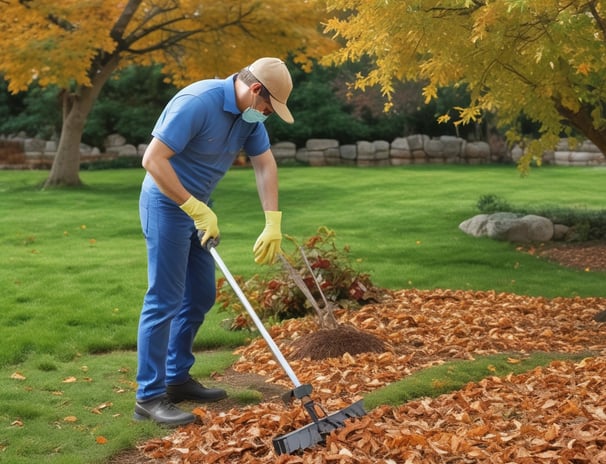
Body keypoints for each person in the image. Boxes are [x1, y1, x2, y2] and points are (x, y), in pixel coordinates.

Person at [133, 57, 294, 426]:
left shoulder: (247, 118)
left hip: (200, 210)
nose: (267, 115)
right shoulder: (198, 101)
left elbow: (265, 164)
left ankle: (176, 379)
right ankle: (149, 398)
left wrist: (273, 221)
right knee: (164, 299)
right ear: (256, 91)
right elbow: (153, 159)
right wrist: (193, 207)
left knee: (201, 295)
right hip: (166, 204)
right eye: (269, 107)